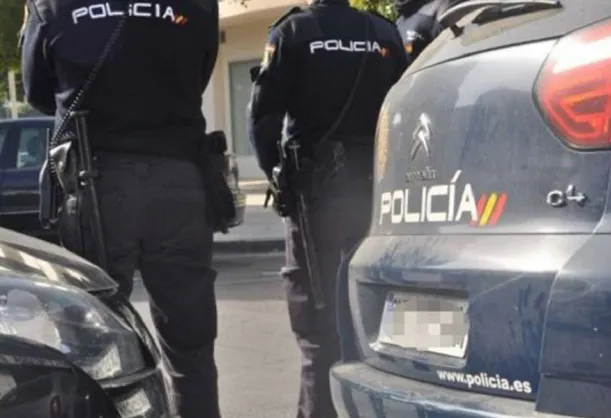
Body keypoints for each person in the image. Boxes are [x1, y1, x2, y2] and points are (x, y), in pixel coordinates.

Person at [21, 0, 221, 417]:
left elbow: (38, 92)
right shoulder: (198, 6)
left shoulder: (52, 6)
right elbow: (198, 78)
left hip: (97, 184)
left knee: (92, 348)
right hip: (180, 179)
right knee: (192, 348)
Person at [249, 2, 408, 417]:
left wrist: (277, 175)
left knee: (318, 331)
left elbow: (263, 119)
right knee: (379, 320)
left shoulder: (294, 32)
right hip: (377, 193)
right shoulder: (383, 33)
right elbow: (405, 112)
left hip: (315, 197)